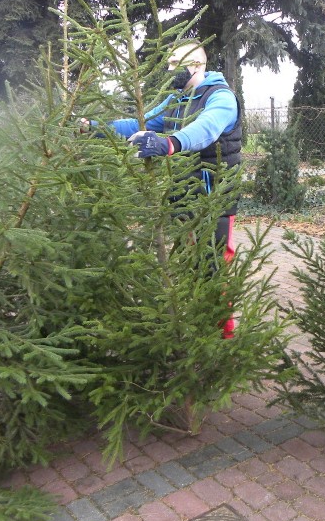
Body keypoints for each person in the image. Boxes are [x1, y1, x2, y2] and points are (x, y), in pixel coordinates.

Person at [83, 40, 242, 338]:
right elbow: (139, 124)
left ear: (195, 65)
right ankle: (195, 328)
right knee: (187, 262)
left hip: (214, 195)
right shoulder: (176, 99)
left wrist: (170, 143)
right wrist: (94, 126)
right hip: (182, 191)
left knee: (214, 267)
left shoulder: (220, 97)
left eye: (175, 65)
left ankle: (224, 339)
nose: (170, 71)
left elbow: (205, 128)